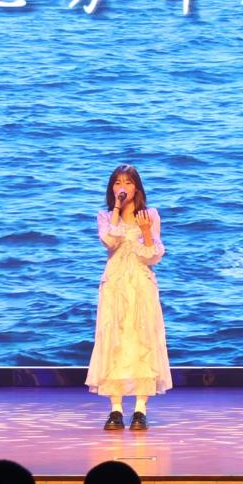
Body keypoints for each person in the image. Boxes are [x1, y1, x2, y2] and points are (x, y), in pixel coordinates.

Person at [86, 165, 171, 431]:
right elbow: (109, 242)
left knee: (142, 342)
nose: (122, 187)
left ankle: (140, 410)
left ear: (137, 187)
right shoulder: (105, 217)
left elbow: (153, 256)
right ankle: (115, 409)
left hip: (141, 285)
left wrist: (145, 230)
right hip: (115, 286)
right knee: (114, 343)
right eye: (117, 183)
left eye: (128, 183)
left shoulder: (150, 215)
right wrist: (116, 209)